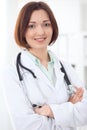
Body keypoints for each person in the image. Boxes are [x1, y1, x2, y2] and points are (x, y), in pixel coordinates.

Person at [0, 1, 87, 130]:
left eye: (46, 24)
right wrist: (69, 107)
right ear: (22, 30)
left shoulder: (65, 67)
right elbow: (27, 125)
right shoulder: (11, 73)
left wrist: (51, 111)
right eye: (31, 26)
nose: (40, 32)